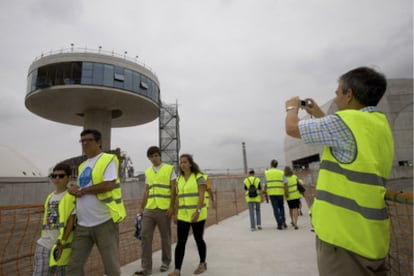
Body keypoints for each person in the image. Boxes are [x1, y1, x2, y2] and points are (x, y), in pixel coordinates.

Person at [285, 67, 394, 275]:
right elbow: (346, 142)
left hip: (344, 241)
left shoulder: (346, 122)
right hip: (372, 238)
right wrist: (318, 114)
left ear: (349, 94)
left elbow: (291, 128)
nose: (336, 98)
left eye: (337, 93)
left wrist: (291, 107)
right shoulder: (378, 125)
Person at [67, 129, 126, 276]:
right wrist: (74, 190)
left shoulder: (108, 159)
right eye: (82, 141)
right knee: (73, 267)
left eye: (89, 140)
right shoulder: (82, 166)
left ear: (99, 142)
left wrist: (82, 191)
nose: (85, 143)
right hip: (82, 225)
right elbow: (83, 188)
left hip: (103, 222)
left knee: (111, 268)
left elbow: (108, 185)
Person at [135, 146, 177, 276]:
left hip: (164, 209)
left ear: (160, 156)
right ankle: (145, 268)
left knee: (165, 237)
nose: (154, 158)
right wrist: (142, 207)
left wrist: (172, 207)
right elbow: (147, 190)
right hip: (149, 209)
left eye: (156, 155)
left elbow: (174, 189)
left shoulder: (169, 169)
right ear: (149, 158)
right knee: (145, 237)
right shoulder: (148, 172)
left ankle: (166, 262)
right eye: (151, 156)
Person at [33, 163, 76, 276]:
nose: (57, 179)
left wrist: (61, 243)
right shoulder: (49, 197)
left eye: (61, 176)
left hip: (62, 246)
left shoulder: (71, 196)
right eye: (54, 176)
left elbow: (71, 222)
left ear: (68, 177)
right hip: (44, 244)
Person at [169, 154, 208, 276]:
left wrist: (197, 211)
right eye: (181, 162)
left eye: (185, 162)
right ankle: (177, 270)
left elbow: (201, 196)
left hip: (197, 215)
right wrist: (175, 213)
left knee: (198, 239)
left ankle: (202, 263)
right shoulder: (179, 179)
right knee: (181, 242)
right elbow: (177, 198)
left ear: (190, 164)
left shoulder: (199, 177)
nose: (182, 164)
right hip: (183, 215)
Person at [264, 160, 288, 230]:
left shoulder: (267, 173)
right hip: (280, 193)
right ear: (277, 165)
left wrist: (265, 192)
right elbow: (285, 183)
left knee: (275, 208)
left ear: (271, 164)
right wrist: (286, 193)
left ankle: (279, 224)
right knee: (281, 207)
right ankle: (283, 221)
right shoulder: (281, 172)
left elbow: (265, 184)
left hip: (272, 194)